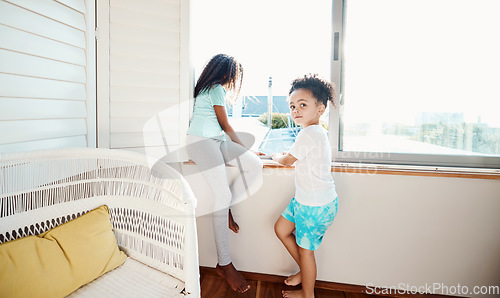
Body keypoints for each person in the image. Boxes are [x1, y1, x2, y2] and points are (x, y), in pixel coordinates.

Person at [186, 54, 263, 293]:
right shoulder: (215, 88)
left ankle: (226, 206)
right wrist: (244, 146)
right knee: (221, 194)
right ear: (227, 73)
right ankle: (224, 263)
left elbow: (221, 131)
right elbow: (226, 125)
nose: (233, 81)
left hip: (216, 141)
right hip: (200, 142)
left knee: (254, 165)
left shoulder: (205, 88)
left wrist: (246, 152)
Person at [272, 74, 339, 298]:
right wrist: (285, 155)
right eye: (292, 106)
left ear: (320, 109)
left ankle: (307, 294)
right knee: (281, 229)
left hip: (314, 206)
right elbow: (298, 156)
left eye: (302, 104)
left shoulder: (310, 133)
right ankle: (304, 271)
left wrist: (274, 155)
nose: (296, 110)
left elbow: (287, 160)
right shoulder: (314, 133)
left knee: (306, 252)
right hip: (307, 201)